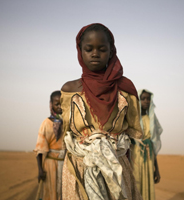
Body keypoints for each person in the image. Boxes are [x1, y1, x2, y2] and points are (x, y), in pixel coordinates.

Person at [60, 23, 143, 200]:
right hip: (79, 167)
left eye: (102, 49)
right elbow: (66, 132)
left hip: (116, 168)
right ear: (80, 51)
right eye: (88, 49)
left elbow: (132, 133)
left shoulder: (125, 89)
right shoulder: (69, 90)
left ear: (111, 52)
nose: (95, 54)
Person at [130, 89, 163, 200]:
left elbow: (153, 145)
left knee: (148, 185)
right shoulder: (132, 119)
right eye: (143, 98)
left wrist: (156, 169)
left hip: (149, 158)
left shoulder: (152, 120)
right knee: (136, 184)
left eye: (148, 99)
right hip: (135, 157)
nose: (146, 101)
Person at [34, 90, 66, 200]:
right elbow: (40, 149)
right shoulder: (46, 124)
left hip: (66, 165)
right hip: (51, 164)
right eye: (57, 104)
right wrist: (40, 170)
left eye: (62, 103)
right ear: (51, 104)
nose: (60, 107)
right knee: (51, 192)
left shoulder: (68, 123)